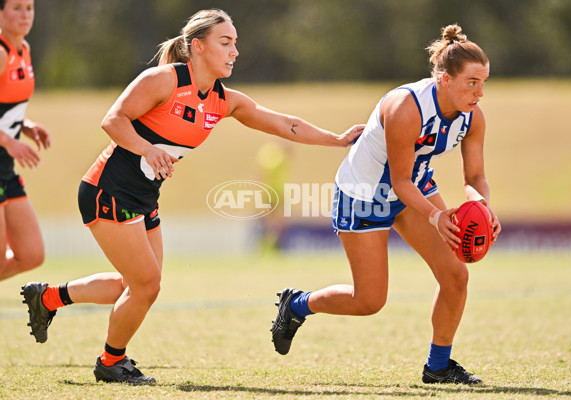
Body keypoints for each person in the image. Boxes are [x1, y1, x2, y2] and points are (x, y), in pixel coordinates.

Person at [20, 8, 362, 384]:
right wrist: (147, 150)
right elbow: (113, 120)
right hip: (108, 190)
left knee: (132, 286)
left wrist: (337, 139)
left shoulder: (224, 100)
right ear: (198, 47)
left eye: (235, 43)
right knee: (146, 286)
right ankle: (110, 362)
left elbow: (283, 123)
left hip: (143, 197)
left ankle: (49, 298)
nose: (234, 51)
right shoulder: (162, 80)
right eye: (225, 42)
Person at [271, 24, 501, 385]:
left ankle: (438, 367)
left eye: (484, 81)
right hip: (365, 193)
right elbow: (399, 182)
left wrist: (483, 206)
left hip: (414, 186)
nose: (480, 92)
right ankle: (297, 304)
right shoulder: (405, 108)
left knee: (455, 276)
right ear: (443, 78)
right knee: (369, 301)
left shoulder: (473, 117)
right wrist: (437, 215)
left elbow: (474, 179)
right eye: (472, 82)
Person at [0, 0, 51, 282]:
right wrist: (10, 142)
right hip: (3, 155)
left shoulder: (25, 50)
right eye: (16, 7)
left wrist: (26, 126)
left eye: (29, 8)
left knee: (32, 254)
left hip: (5, 169)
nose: (24, 15)